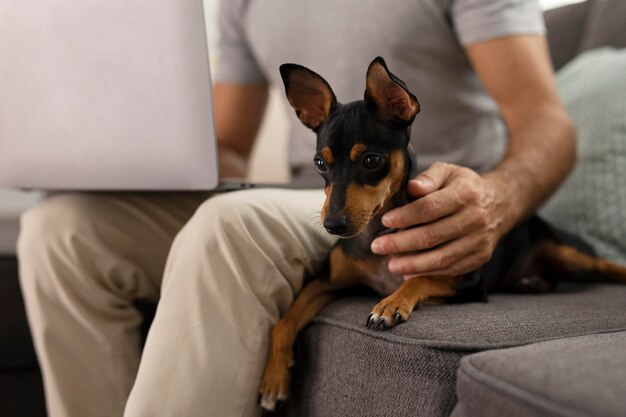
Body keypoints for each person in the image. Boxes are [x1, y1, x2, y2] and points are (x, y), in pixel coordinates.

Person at [17, 0, 576, 416]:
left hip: (423, 198)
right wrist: (131, 155)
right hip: (306, 189)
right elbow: (230, 147)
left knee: (225, 226)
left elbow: (547, 122)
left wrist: (495, 200)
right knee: (58, 229)